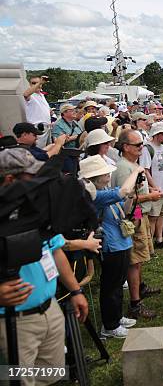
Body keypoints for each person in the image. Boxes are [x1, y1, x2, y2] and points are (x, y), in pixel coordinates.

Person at [0, 148, 90, 386]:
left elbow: (56, 250)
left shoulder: (37, 213)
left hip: (50, 310)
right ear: (10, 180)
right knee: (18, 381)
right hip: (14, 322)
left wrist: (76, 291)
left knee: (51, 376)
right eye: (33, 179)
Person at [79, 155, 141, 337]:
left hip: (121, 242)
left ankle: (117, 316)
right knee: (110, 285)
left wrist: (132, 196)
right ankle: (110, 325)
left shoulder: (104, 190)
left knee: (118, 281)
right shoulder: (95, 195)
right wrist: (136, 171)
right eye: (105, 173)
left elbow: (126, 207)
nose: (108, 175)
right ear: (95, 177)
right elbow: (122, 192)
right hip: (111, 245)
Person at [112, 130, 163, 319]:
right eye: (138, 145)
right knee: (134, 261)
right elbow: (125, 198)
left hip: (138, 216)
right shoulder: (124, 168)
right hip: (131, 219)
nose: (142, 147)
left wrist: (149, 188)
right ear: (125, 147)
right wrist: (150, 195)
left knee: (139, 258)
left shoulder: (131, 164)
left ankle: (139, 288)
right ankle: (135, 303)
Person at [141, 122, 163, 249]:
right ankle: (148, 245)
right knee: (152, 217)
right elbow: (145, 170)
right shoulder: (147, 148)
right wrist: (154, 187)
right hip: (157, 188)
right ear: (156, 135)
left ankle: (159, 240)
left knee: (161, 215)